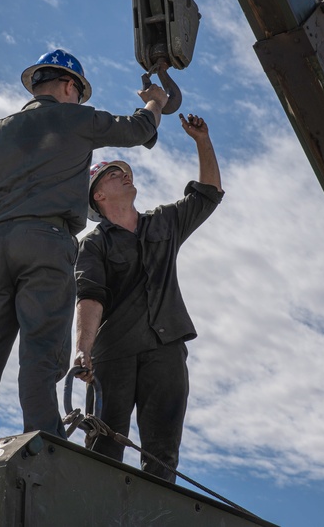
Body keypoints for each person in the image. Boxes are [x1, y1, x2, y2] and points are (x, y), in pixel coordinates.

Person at [0, 48, 170, 450]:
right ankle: (44, 445)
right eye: (77, 94)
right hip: (46, 242)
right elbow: (136, 130)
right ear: (69, 86)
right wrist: (156, 102)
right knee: (41, 353)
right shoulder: (76, 119)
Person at [73, 113, 223, 481]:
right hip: (114, 356)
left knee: (162, 454)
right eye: (114, 173)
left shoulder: (164, 222)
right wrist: (82, 350)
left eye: (127, 171)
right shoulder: (94, 244)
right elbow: (90, 298)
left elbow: (208, 195)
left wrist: (202, 140)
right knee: (105, 449)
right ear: (99, 195)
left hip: (167, 348)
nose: (127, 174)